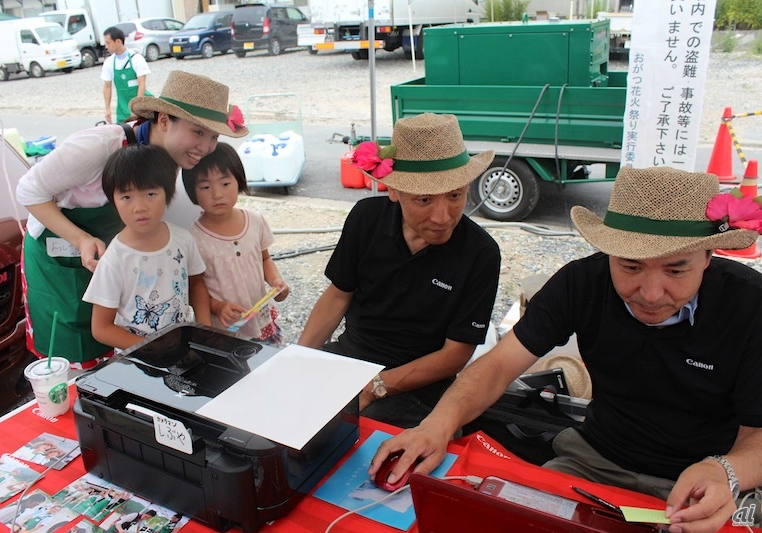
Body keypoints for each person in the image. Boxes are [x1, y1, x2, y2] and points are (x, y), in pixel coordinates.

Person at [370, 166, 762, 533]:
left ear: (709, 257)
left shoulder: (750, 307)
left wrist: (727, 471)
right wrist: (435, 427)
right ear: (609, 251)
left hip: (706, 478)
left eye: (676, 270)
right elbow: (498, 365)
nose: (651, 293)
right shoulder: (582, 283)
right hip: (592, 461)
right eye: (630, 267)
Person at [16, 70, 247, 369]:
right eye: (197, 132)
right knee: (74, 351)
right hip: (60, 257)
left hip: (117, 256)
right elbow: (29, 190)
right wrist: (82, 239)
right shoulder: (99, 146)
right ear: (163, 120)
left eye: (213, 136)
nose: (205, 147)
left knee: (118, 347)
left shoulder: (177, 159)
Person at [298, 113, 501, 428]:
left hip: (421, 385)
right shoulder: (366, 219)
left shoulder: (481, 253)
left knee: (350, 437)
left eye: (455, 195)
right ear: (393, 191)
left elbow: (455, 355)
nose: (442, 216)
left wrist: (377, 386)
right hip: (349, 358)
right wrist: (298, 360)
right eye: (424, 199)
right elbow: (338, 295)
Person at [82, 144, 210, 351]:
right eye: (126, 197)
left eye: (150, 194)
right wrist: (151, 348)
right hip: (136, 359)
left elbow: (196, 284)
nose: (139, 207)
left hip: (182, 348)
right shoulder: (115, 259)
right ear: (113, 202)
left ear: (167, 193)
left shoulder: (183, 239)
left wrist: (205, 331)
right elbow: (101, 328)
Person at [182, 142, 290, 345]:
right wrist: (216, 307)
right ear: (192, 191)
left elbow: (265, 258)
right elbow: (195, 289)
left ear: (238, 181)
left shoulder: (255, 221)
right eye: (205, 187)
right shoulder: (193, 238)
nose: (217, 194)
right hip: (225, 332)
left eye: (225, 183)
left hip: (262, 322)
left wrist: (276, 282)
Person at [101, 26, 151, 124]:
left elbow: (142, 84)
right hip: (122, 109)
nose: (106, 46)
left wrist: (136, 108)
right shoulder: (109, 62)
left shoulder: (136, 59)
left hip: (141, 105)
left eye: (108, 43)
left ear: (118, 42)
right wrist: (107, 109)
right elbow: (107, 86)